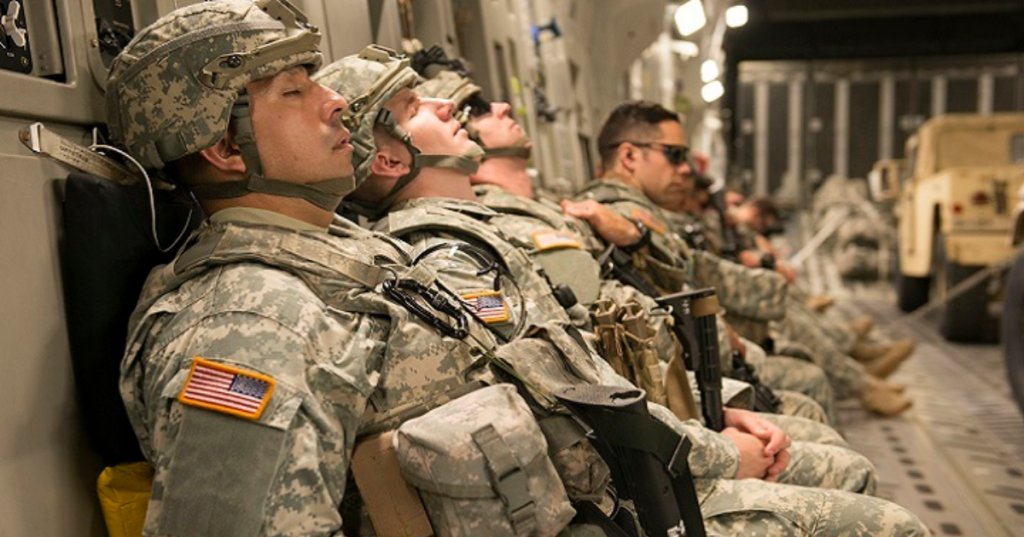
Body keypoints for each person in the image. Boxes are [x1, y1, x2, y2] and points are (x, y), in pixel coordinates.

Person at [320, 47, 931, 537]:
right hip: (618, 495)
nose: (453, 109)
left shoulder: (471, 237)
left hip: (638, 460)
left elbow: (582, 363)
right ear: (390, 162)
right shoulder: (446, 259)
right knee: (885, 517)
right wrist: (715, 448)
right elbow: (570, 404)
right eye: (415, 105)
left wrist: (711, 422)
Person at [108, 4, 516, 535]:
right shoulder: (248, 327)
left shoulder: (353, 256)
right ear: (227, 147)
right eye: (293, 92)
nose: (338, 101)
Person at [578, 100, 913, 416]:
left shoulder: (633, 211)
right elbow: (674, 288)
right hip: (681, 357)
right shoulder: (626, 213)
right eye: (674, 155)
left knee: (788, 331)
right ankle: (860, 381)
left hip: (696, 340)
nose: (684, 170)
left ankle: (855, 363)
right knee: (807, 373)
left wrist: (766, 287)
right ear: (629, 156)